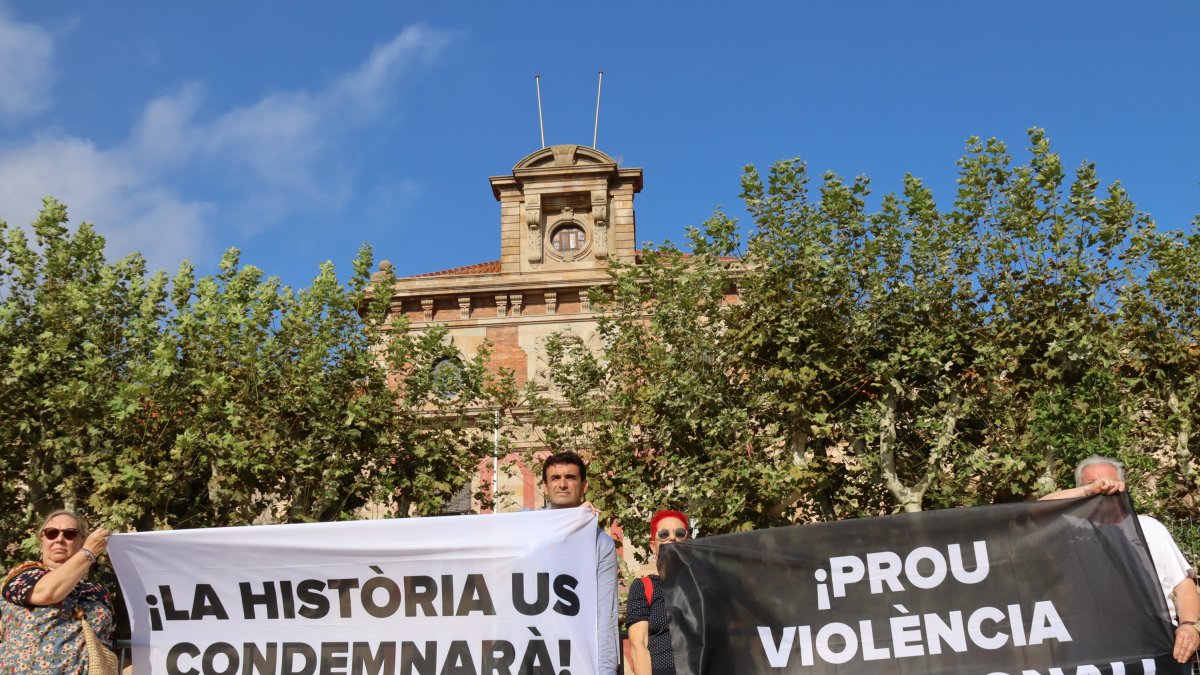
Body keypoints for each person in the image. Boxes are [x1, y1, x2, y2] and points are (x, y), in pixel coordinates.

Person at [1041, 455, 1200, 664]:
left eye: (1110, 481)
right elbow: (1034, 512)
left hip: (1155, 645)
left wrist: (1189, 626)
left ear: (1123, 485)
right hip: (1092, 651)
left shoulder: (1150, 527)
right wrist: (1089, 491)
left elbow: (1182, 584)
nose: (1104, 487)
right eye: (1092, 483)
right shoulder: (1068, 529)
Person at [0, 509, 115, 674]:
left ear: (82, 540)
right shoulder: (24, 573)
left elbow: (109, 641)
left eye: (70, 534)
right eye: (51, 533)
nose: (59, 539)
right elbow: (48, 593)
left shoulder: (97, 591)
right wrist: (88, 553)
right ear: (42, 540)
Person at [541, 451, 619, 674]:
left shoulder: (600, 543)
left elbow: (606, 614)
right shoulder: (524, 527)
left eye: (570, 478)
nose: (563, 484)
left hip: (578, 660)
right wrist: (568, 523)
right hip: (529, 655)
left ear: (584, 485)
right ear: (545, 486)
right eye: (555, 478)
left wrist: (606, 671)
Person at [626, 509, 689, 675]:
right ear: (653, 545)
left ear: (688, 540)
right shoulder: (644, 587)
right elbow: (639, 645)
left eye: (680, 533)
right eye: (664, 534)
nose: (672, 538)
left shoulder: (703, 583)